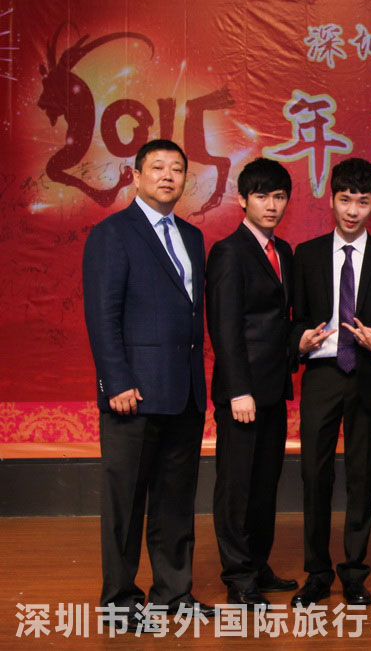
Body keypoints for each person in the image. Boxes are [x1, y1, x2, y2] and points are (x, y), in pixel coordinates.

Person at [82, 139, 213, 632]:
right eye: (157, 167)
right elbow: (103, 315)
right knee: (125, 503)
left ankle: (174, 593)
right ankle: (120, 601)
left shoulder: (192, 237)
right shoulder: (112, 234)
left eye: (176, 169)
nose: (167, 176)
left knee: (175, 502)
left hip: (184, 392)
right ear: (136, 176)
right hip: (132, 395)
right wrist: (116, 380)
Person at [289, 158, 371, 607]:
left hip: (368, 376)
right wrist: (300, 341)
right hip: (321, 375)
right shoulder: (307, 254)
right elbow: (294, 318)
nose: (353, 210)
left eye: (362, 202)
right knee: (314, 475)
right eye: (345, 200)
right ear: (331, 199)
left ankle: (354, 572)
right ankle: (317, 573)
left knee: (363, 474)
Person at [208, 158, 300, 608]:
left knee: (265, 485)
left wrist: (301, 343)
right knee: (237, 486)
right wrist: (238, 390)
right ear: (243, 200)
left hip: (274, 388)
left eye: (279, 196)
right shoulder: (229, 251)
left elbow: (280, 320)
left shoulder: (284, 252)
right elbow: (224, 327)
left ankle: (258, 565)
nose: (271, 205)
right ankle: (238, 576)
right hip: (242, 393)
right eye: (262, 196)